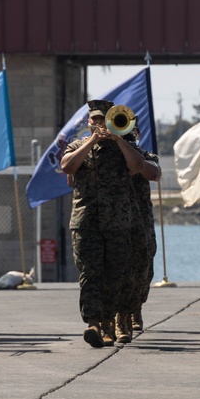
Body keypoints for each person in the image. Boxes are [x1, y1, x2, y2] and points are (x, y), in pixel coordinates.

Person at [61, 99, 157, 348]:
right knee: (90, 274)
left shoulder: (126, 149)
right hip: (86, 222)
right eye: (95, 119)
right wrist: (91, 142)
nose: (100, 124)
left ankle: (109, 322)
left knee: (115, 275)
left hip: (118, 223)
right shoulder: (78, 145)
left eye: (105, 119)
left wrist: (118, 140)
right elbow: (67, 167)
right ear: (88, 121)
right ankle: (94, 323)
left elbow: (139, 167)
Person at [120, 120, 161, 341]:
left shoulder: (145, 155)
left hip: (141, 221)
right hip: (116, 220)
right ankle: (122, 316)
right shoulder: (110, 157)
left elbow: (153, 173)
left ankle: (136, 307)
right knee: (120, 268)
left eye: (131, 129)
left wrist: (132, 153)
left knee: (144, 269)